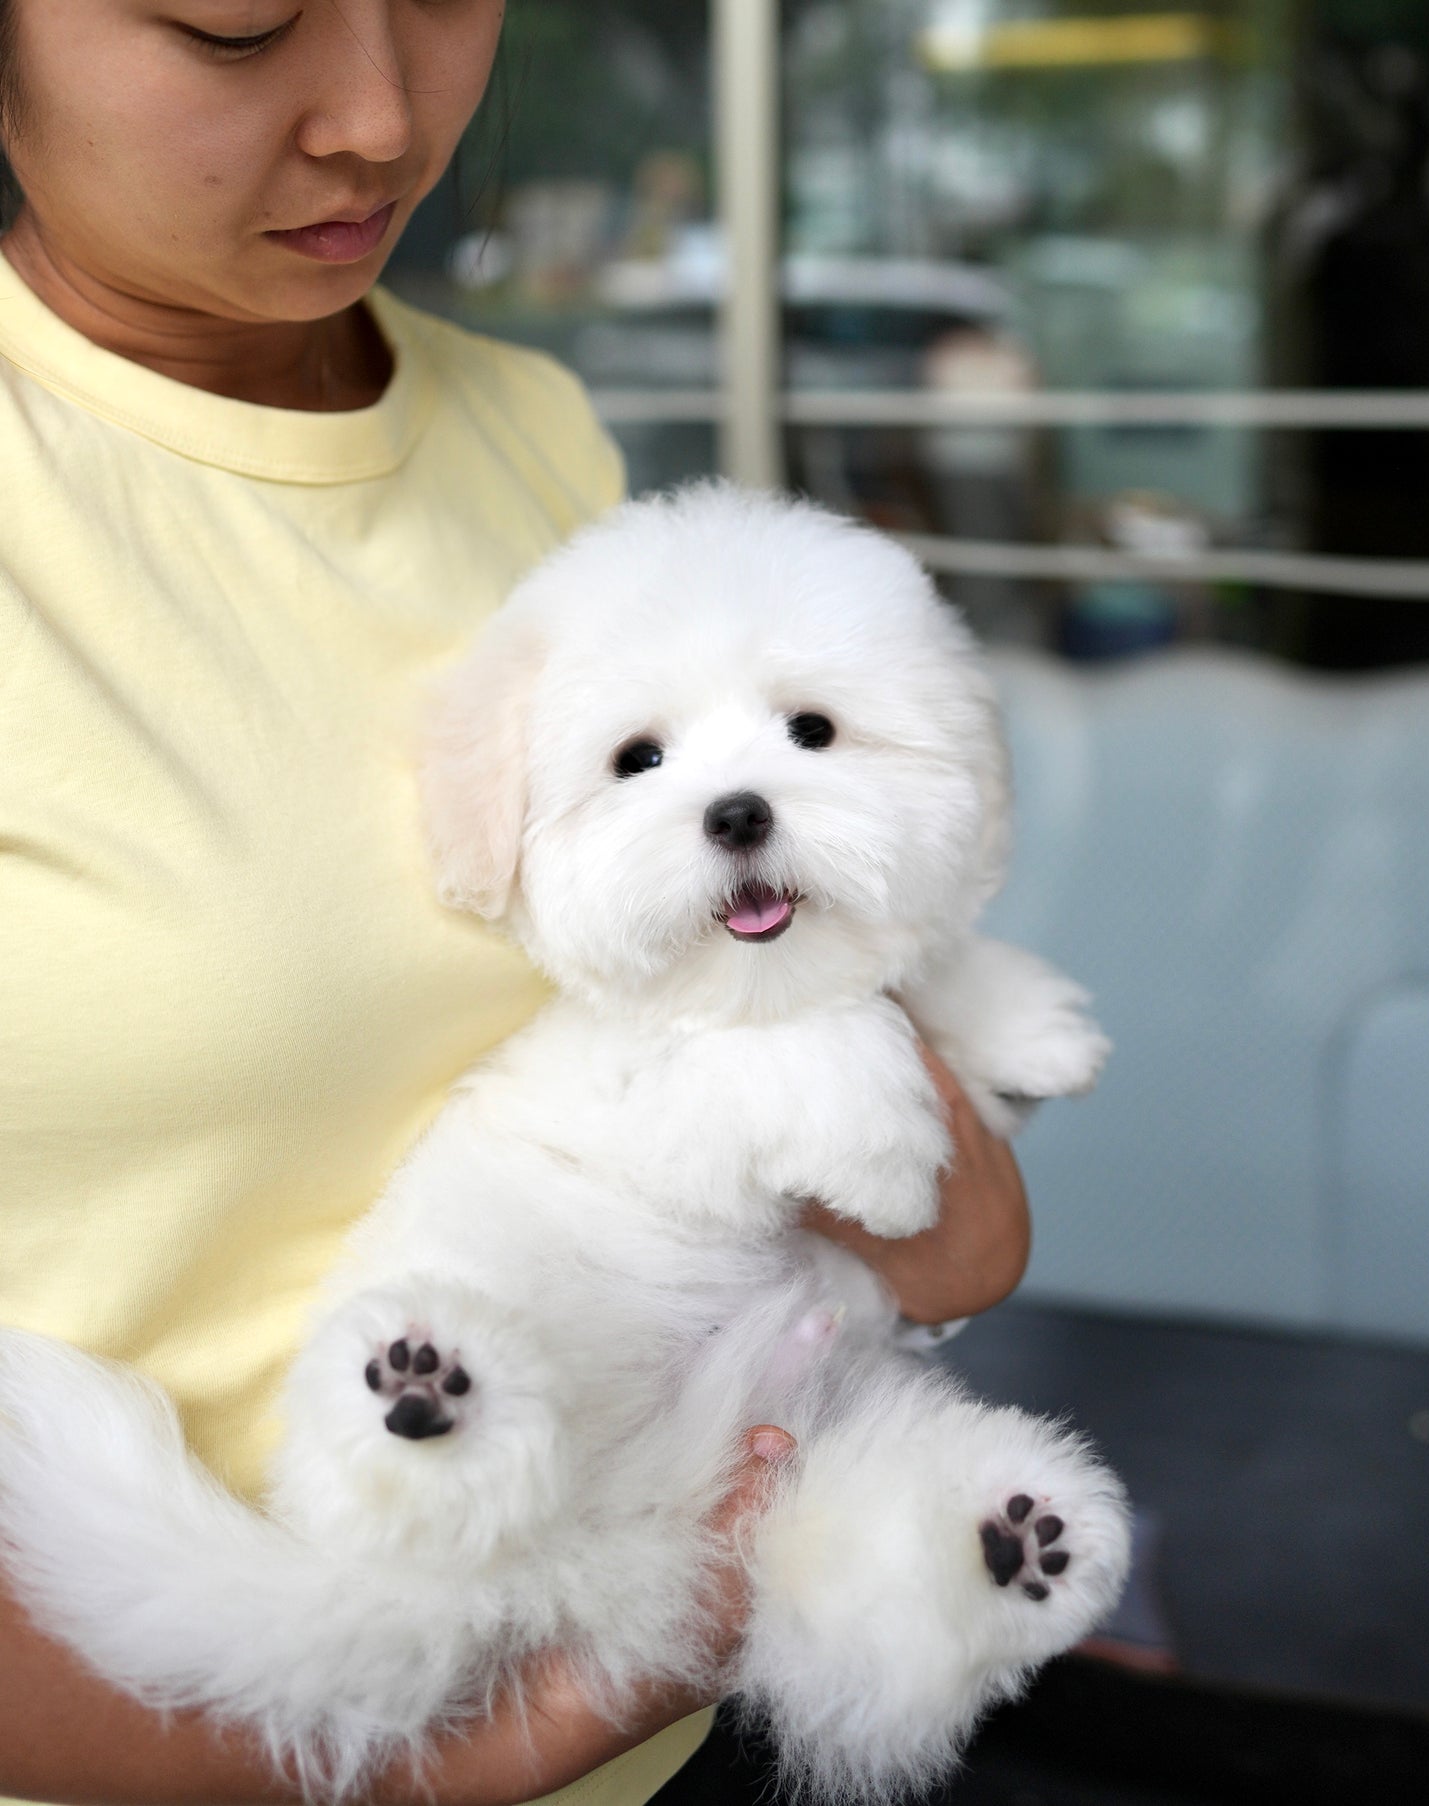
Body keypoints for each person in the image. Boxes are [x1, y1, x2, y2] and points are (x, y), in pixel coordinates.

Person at [0, 4, 1031, 1803]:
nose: (382, 120)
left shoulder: (527, 430)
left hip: (691, 1700)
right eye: (238, 24)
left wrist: (935, 1196)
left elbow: (820, 1051)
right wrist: (493, 1752)